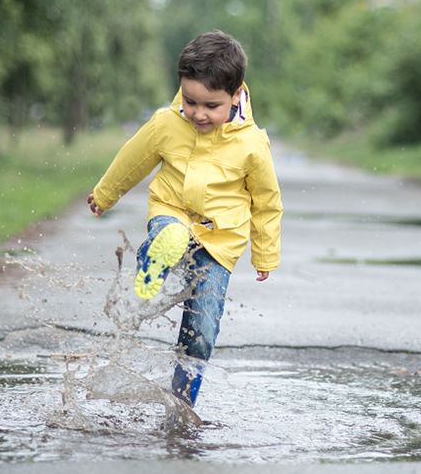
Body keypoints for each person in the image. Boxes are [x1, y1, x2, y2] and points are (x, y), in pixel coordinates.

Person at [86, 30, 283, 408]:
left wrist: (265, 253)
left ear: (236, 95)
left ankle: (181, 402)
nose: (197, 113)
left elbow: (267, 201)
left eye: (211, 105)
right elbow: (133, 161)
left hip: (220, 242)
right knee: (171, 232)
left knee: (202, 330)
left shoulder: (252, 144)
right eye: (190, 101)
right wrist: (105, 195)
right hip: (170, 212)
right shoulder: (167, 123)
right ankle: (153, 263)